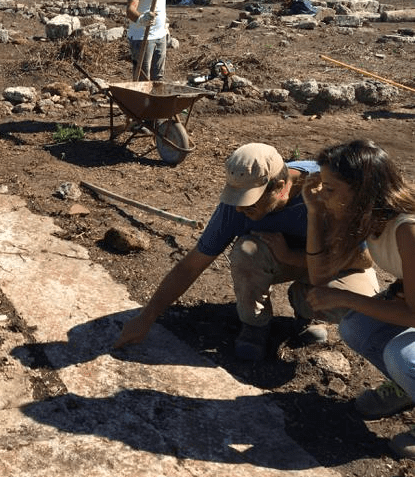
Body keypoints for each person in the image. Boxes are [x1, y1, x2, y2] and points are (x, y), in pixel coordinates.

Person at [114, 142, 379, 361]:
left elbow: (363, 258)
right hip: (281, 260)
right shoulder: (235, 206)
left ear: (280, 186)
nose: (241, 209)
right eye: (237, 200)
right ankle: (255, 324)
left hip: (331, 262)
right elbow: (192, 264)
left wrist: (292, 257)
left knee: (362, 306)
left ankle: (304, 305)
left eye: (250, 202)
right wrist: (146, 317)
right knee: (246, 251)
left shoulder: (326, 189)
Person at [304, 139, 415, 458]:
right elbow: (319, 276)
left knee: (399, 354)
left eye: (330, 188)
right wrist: (314, 213)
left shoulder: (407, 228)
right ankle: (408, 388)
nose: (322, 195)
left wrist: (347, 298)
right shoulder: (371, 219)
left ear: (362, 190)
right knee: (357, 328)